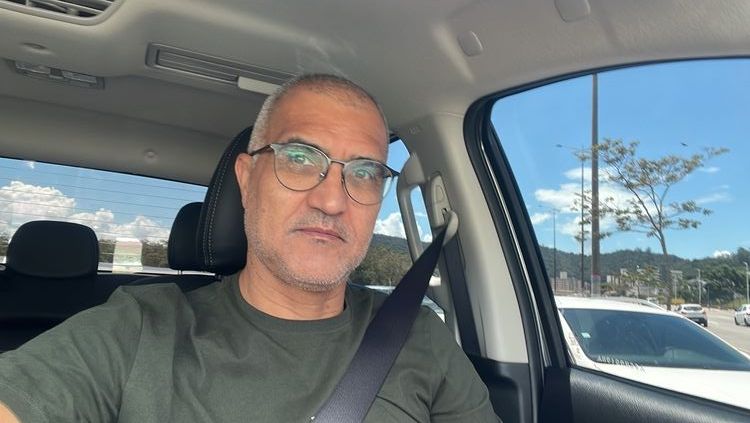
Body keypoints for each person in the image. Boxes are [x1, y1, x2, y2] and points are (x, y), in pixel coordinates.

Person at [0, 74, 498, 422]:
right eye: (299, 158)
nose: (331, 200)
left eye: (364, 172)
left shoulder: (417, 334)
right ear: (246, 179)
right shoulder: (138, 329)